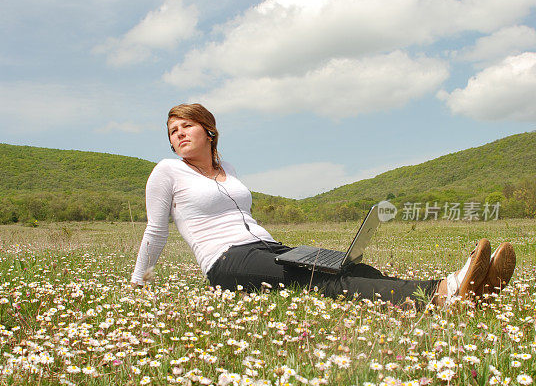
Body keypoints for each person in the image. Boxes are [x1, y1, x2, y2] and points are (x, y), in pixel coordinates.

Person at [131, 103, 516, 307]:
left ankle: (474, 291)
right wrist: (140, 282)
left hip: (267, 248)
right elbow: (155, 230)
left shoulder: (226, 167)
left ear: (209, 131)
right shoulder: (167, 171)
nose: (178, 135)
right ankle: (441, 293)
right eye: (172, 131)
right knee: (324, 280)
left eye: (186, 126)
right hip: (227, 261)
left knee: (352, 265)